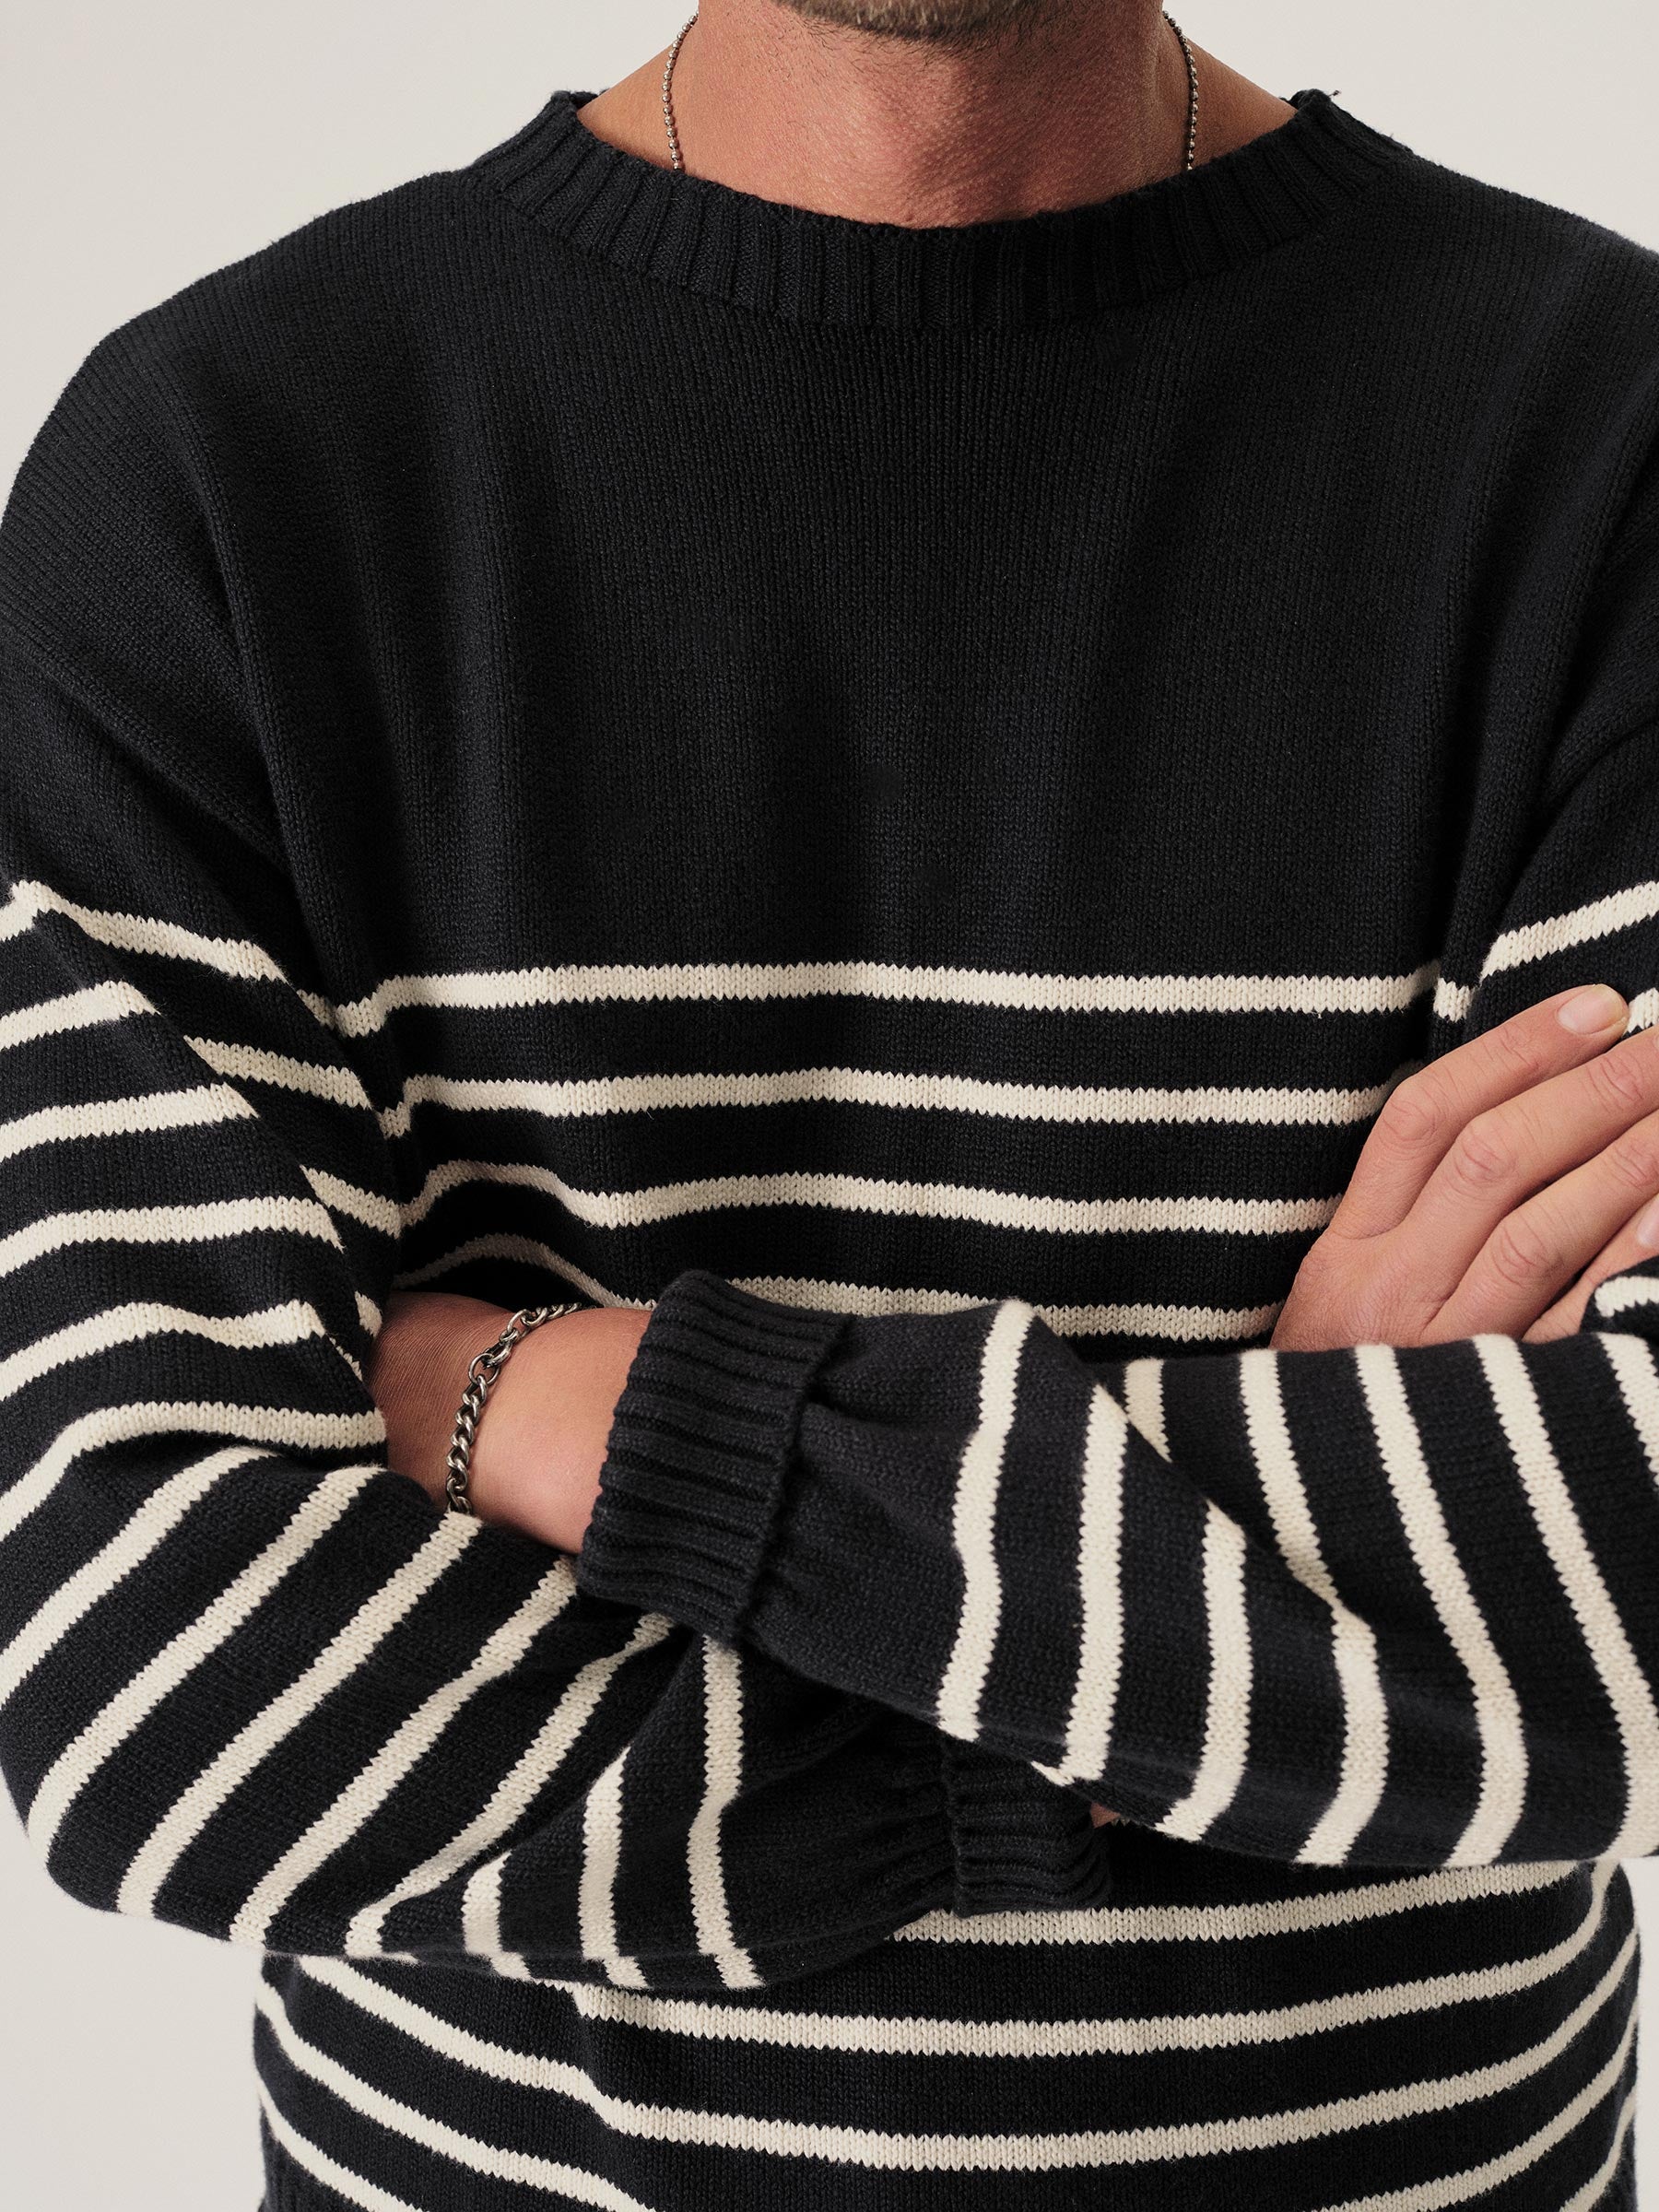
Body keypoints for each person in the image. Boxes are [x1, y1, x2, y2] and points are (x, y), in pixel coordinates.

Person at [2, 0, 1658, 2204]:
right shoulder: (226, 470)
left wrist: (566, 1410)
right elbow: (144, 1682)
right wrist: (1272, 1615)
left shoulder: (1605, 437)